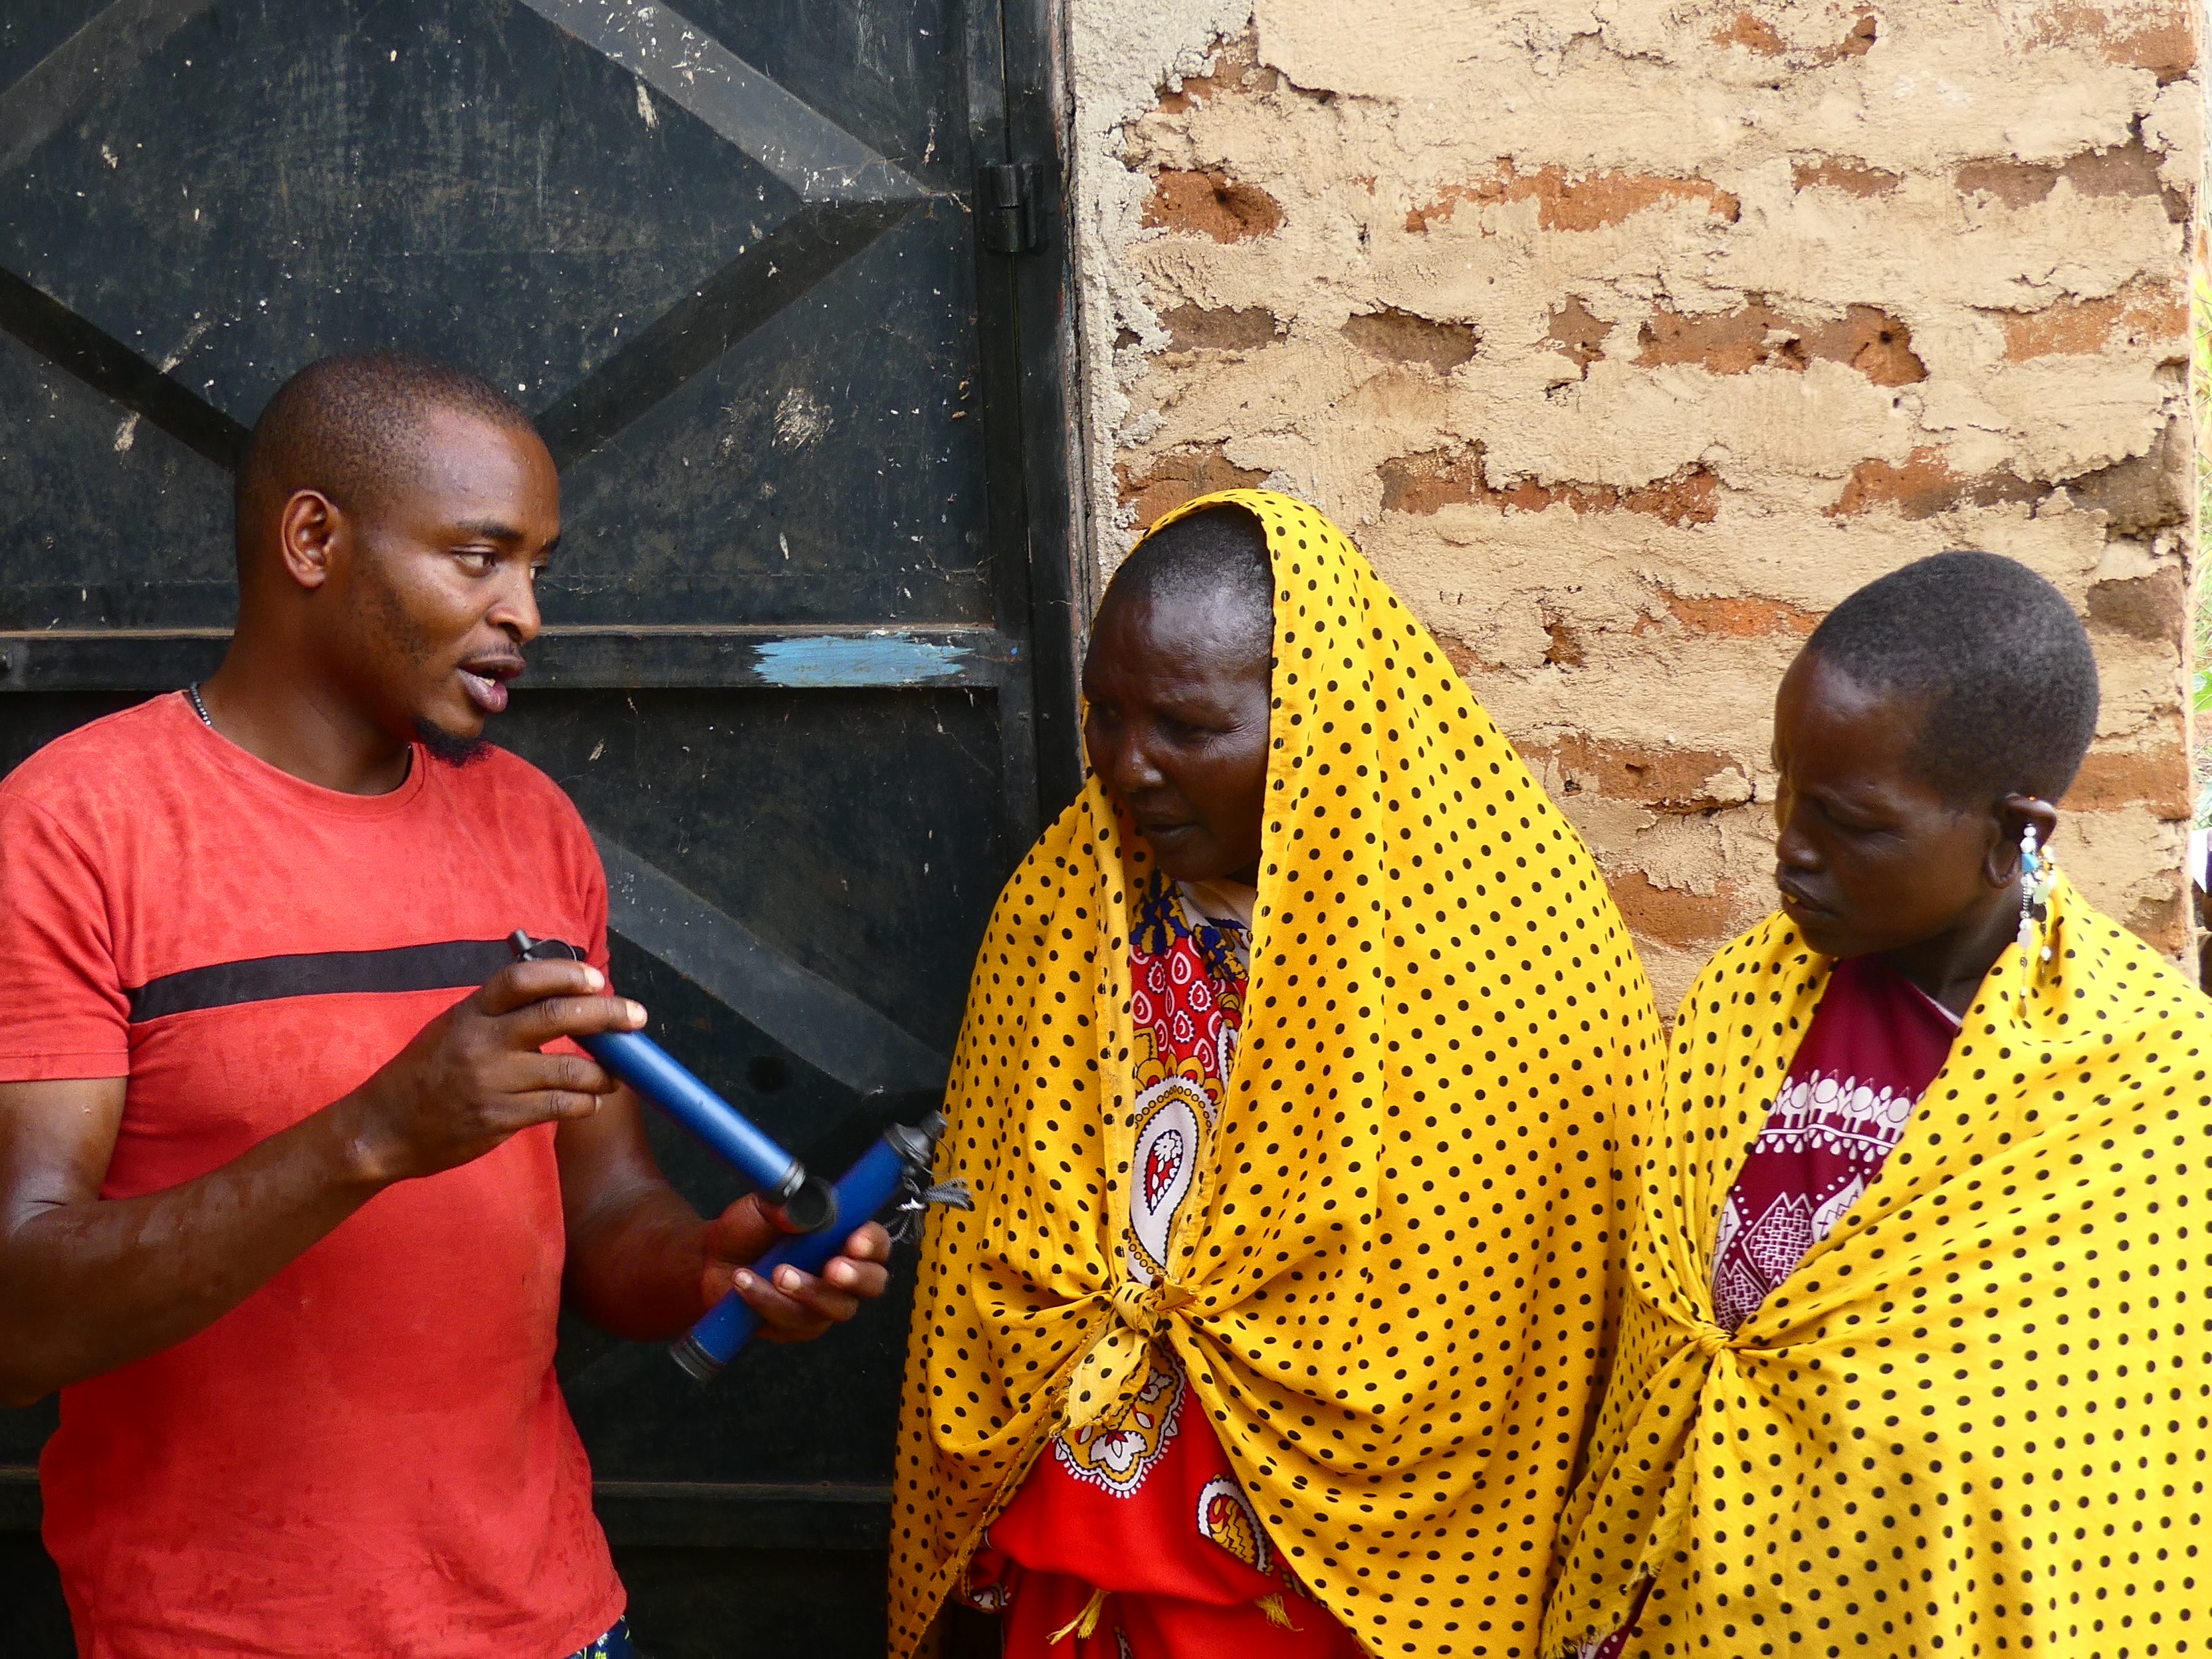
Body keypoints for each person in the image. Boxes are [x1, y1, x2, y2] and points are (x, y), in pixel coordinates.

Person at [0, 352, 891, 1659]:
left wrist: (708, 1264)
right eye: (479, 558)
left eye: (537, 568)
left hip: (553, 1625)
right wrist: (376, 1134)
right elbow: (21, 1321)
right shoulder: (77, 830)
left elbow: (606, 1215)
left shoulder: (530, 829)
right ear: (314, 540)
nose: (524, 611)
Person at [889, 489, 1664, 1659]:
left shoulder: (1510, 954)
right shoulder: (1062, 909)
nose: (1128, 767)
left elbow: (1537, 1329)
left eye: (1187, 727)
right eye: (1104, 715)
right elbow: (982, 1251)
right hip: (1084, 1565)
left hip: (1367, 1590)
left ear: (1314, 724)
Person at [1543, 551, 2212, 1658]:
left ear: (2014, 833)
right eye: (1784, 787)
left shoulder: (2151, 1087)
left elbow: (2106, 1504)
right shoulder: (1744, 999)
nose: (1791, 848)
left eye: (1852, 823)